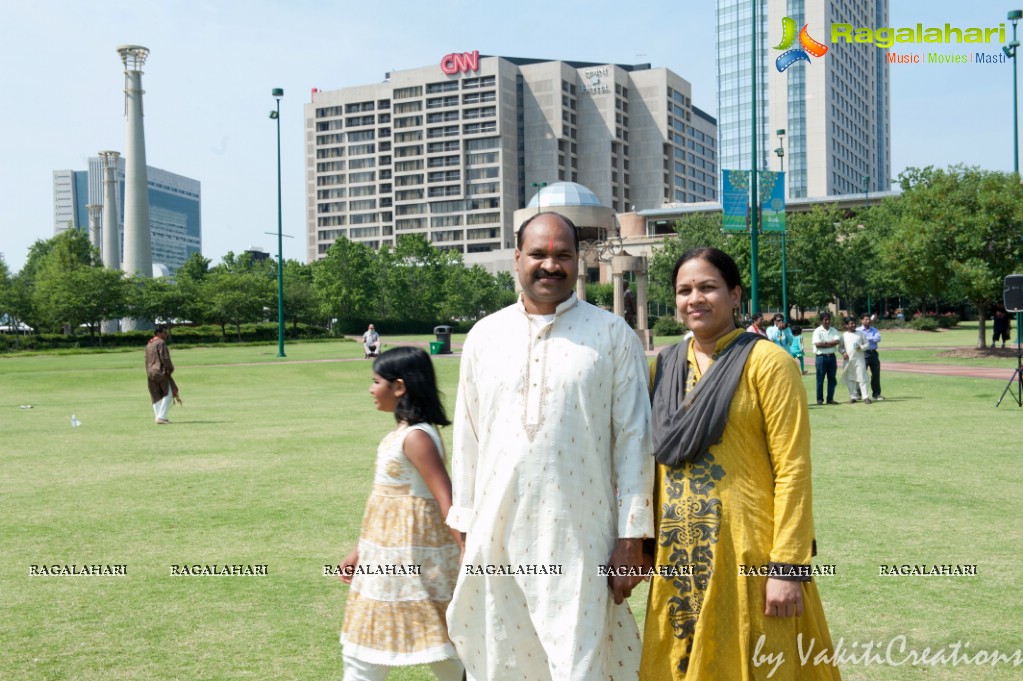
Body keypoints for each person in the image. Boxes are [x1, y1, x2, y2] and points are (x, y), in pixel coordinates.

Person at [446, 211, 654, 681]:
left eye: (563, 255)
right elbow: (468, 439)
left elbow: (635, 442)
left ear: (578, 262)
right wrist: (464, 527)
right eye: (538, 254)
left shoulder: (611, 335)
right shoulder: (484, 336)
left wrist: (631, 538)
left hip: (582, 539)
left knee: (578, 662)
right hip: (497, 534)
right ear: (517, 259)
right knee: (502, 658)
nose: (550, 265)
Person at [642, 247, 840, 680]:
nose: (695, 298)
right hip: (678, 560)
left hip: (747, 557)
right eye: (684, 290)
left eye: (708, 287)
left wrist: (787, 566)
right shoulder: (666, 366)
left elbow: (793, 468)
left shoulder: (768, 363)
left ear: (735, 295)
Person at [338, 346, 463, 681]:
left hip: (410, 560)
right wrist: (358, 551)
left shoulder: (417, 437)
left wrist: (468, 555)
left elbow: (445, 499)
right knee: (433, 640)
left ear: (399, 386)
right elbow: (382, 507)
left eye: (375, 381)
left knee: (435, 641)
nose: (370, 389)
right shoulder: (402, 433)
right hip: (384, 557)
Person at [145, 324, 179, 424]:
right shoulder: (161, 343)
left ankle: (158, 416)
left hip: (150, 372)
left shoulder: (149, 344)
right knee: (169, 393)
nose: (166, 335)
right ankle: (161, 417)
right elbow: (165, 358)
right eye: (164, 333)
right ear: (158, 333)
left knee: (155, 395)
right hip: (160, 371)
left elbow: (146, 360)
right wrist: (170, 369)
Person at [811, 313, 842, 405]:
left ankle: (830, 399)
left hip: (832, 357)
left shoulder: (834, 330)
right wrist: (830, 343)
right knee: (820, 379)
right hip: (821, 357)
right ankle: (819, 399)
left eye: (828, 319)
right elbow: (817, 344)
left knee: (832, 379)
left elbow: (837, 341)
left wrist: (824, 343)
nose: (827, 321)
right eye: (825, 319)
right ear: (821, 321)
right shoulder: (817, 331)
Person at [840, 316, 871, 404]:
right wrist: (843, 353)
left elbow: (867, 345)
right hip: (848, 361)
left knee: (862, 378)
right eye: (851, 323)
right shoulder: (843, 336)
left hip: (859, 360)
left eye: (854, 323)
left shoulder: (861, 334)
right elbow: (840, 348)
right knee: (850, 380)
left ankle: (866, 397)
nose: (853, 325)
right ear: (846, 325)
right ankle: (853, 397)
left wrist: (860, 347)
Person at [857, 313, 884, 400]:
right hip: (863, 354)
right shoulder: (858, 330)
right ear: (861, 320)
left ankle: (876, 394)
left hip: (873, 353)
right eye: (866, 319)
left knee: (876, 374)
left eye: (869, 319)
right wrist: (871, 339)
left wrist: (867, 339)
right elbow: (858, 341)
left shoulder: (874, 329)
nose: (868, 321)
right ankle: (858, 394)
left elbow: (878, 338)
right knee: (861, 375)